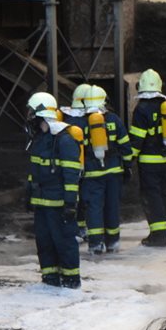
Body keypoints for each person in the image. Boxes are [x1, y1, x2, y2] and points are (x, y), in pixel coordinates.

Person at [25, 92, 82, 288]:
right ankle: (49, 279)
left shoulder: (64, 141)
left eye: (32, 113)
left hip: (59, 204)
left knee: (64, 242)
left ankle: (71, 280)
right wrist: (29, 193)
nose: (30, 117)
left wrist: (70, 203)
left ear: (42, 114)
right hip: (41, 203)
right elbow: (35, 171)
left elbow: (71, 175)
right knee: (44, 242)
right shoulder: (39, 140)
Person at [81, 85, 133, 254]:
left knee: (94, 207)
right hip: (114, 172)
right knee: (112, 206)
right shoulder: (114, 119)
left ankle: (96, 244)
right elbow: (125, 145)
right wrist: (128, 166)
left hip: (91, 173)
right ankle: (113, 242)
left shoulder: (82, 122)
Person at [129, 69, 166, 247]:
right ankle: (160, 233)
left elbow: (137, 139)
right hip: (165, 160)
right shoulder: (165, 106)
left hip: (149, 162)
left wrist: (128, 159)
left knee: (151, 197)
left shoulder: (141, 109)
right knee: (160, 196)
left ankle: (159, 237)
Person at [61, 84, 93, 241]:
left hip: (68, 166)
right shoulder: (88, 121)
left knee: (73, 197)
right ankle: (81, 228)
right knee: (84, 198)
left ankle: (74, 227)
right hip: (85, 165)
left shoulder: (66, 119)